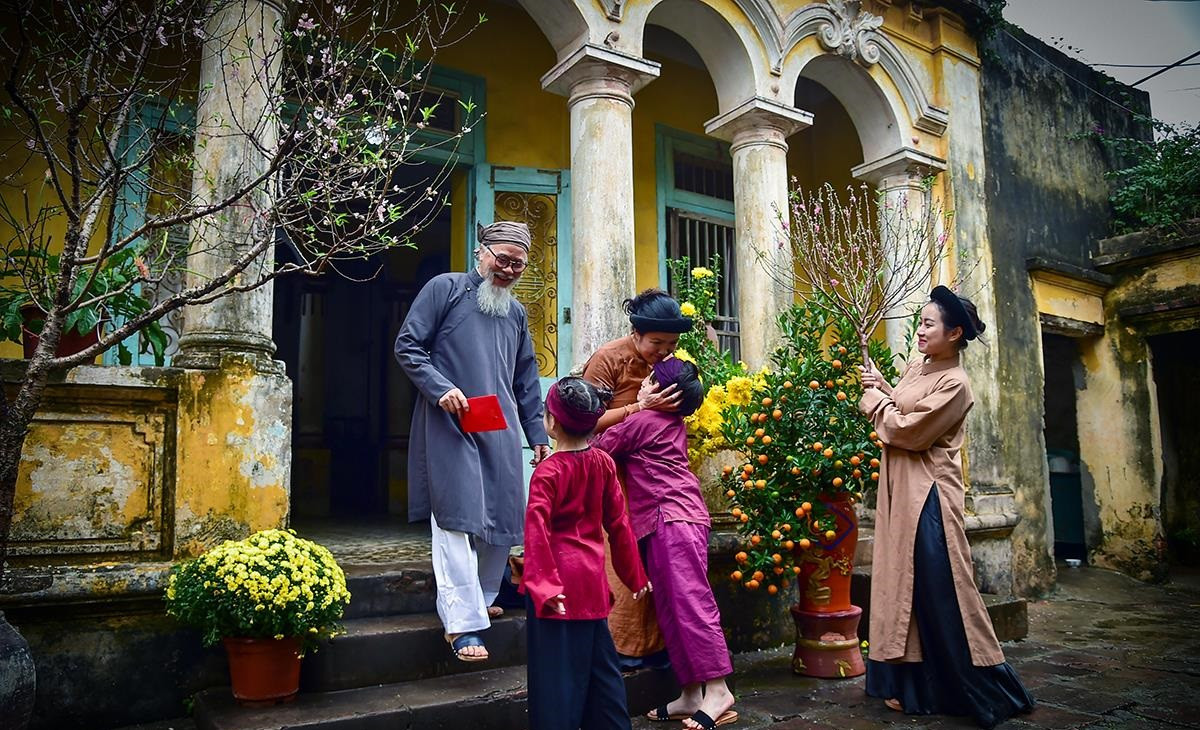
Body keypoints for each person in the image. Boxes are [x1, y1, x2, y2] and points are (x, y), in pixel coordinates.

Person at [857, 286, 1035, 729]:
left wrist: (875, 404)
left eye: (928, 325)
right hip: (903, 488)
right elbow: (904, 404)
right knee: (904, 585)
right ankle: (914, 686)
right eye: (919, 322)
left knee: (940, 588)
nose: (919, 331)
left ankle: (967, 687)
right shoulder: (921, 365)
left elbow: (910, 432)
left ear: (954, 334)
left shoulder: (957, 383)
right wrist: (883, 385)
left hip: (929, 494)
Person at [394, 220, 551, 662]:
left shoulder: (516, 313)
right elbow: (408, 346)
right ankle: (462, 625)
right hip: (450, 420)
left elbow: (526, 379)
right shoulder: (444, 289)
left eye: (518, 265)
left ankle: (482, 597)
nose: (508, 271)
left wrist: (535, 432)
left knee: (503, 519)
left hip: (497, 425)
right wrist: (439, 387)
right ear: (481, 252)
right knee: (455, 516)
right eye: (503, 260)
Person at [593, 358, 738, 730]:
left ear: (660, 391)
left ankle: (718, 689)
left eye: (650, 380)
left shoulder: (643, 421)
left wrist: (637, 405)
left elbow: (598, 448)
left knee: (691, 604)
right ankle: (690, 694)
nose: (643, 383)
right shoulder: (672, 421)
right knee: (671, 609)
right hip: (672, 521)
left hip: (672, 520)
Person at [521, 377, 653, 730]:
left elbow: (536, 533)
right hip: (592, 584)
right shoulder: (604, 463)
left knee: (556, 684)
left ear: (551, 422)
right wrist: (634, 576)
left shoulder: (547, 472)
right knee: (602, 676)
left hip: (557, 589)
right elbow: (620, 525)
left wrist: (545, 587)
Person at [581, 289, 688, 669]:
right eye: (656, 343)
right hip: (609, 470)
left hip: (651, 476)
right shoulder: (608, 359)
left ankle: (651, 647)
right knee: (618, 556)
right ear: (636, 333)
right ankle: (620, 647)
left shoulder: (668, 364)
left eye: (671, 344)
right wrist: (638, 407)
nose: (663, 351)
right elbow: (585, 422)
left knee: (651, 559)